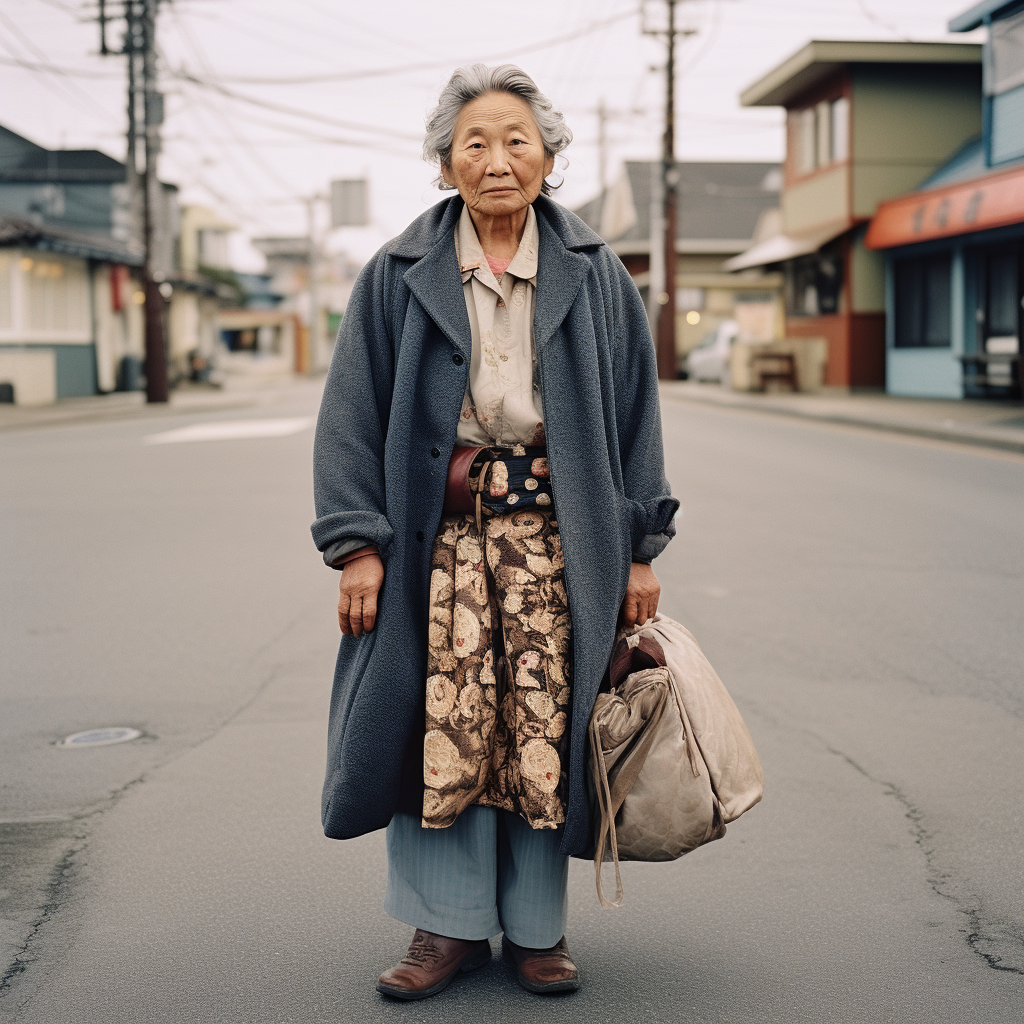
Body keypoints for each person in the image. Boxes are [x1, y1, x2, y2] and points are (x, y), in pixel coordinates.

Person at [311, 63, 678, 1000]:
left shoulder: (596, 276)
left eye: (517, 139)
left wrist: (639, 546)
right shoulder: (397, 275)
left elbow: (637, 419)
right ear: (445, 165)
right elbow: (351, 414)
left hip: (558, 545)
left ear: (549, 158)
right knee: (445, 726)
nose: (497, 159)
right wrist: (357, 546)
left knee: (539, 726)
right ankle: (445, 930)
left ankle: (535, 932)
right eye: (473, 141)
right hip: (439, 543)